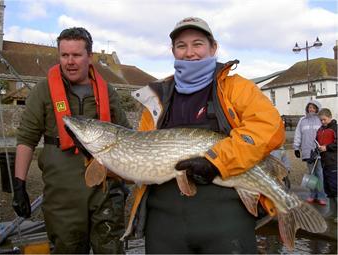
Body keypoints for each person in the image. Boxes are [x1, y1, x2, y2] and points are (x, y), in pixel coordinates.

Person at [126, 17, 285, 253]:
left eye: (197, 44)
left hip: (225, 220)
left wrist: (216, 161)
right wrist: (102, 157)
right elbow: (140, 156)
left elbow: (269, 128)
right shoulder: (157, 97)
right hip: (164, 223)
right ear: (173, 52)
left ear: (213, 47)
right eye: (181, 46)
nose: (190, 53)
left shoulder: (236, 88)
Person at [12, 27, 130, 254]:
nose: (70, 61)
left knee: (111, 249)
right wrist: (20, 185)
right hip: (62, 194)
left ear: (90, 57)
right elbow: (26, 138)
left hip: (105, 190)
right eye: (64, 55)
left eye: (76, 55)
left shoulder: (109, 92)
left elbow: (126, 135)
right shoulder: (43, 90)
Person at [293, 100, 327, 205]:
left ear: (317, 109)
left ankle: (321, 196)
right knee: (311, 174)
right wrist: (296, 147)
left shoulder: (320, 120)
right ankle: (312, 195)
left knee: (320, 173)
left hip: (319, 151)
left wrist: (325, 147)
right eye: (309, 107)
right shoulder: (302, 120)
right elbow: (298, 134)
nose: (311, 109)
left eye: (313, 107)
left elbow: (326, 134)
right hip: (307, 151)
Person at [316, 108, 337, 221]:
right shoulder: (320, 129)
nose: (322, 122)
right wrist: (317, 148)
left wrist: (326, 147)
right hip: (324, 162)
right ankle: (332, 211)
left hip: (334, 162)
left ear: (330, 117)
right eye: (321, 120)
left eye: (324, 120)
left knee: (335, 187)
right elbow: (317, 141)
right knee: (328, 188)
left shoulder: (335, 128)